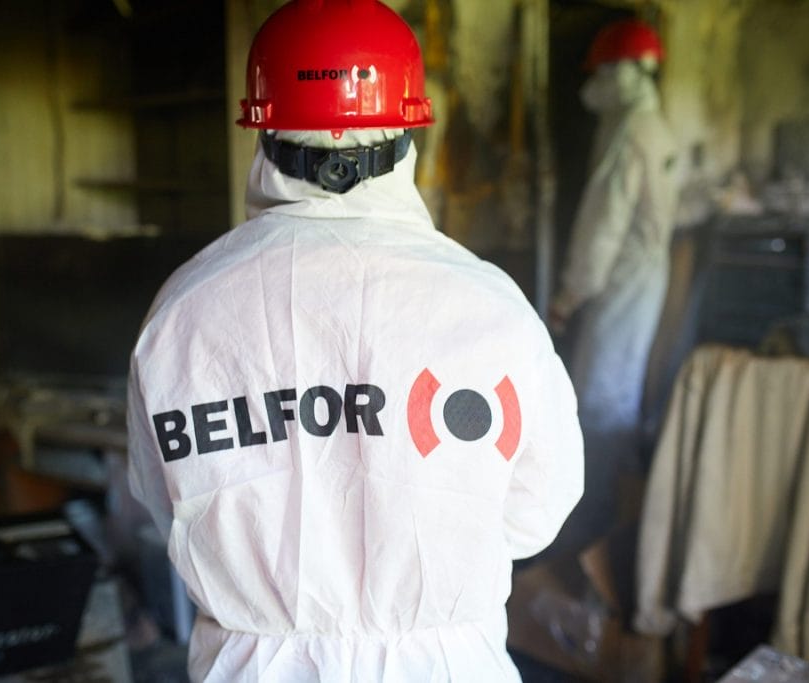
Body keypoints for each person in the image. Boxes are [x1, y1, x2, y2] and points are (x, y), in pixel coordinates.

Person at [126, 1, 584, 680]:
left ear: (263, 130)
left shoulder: (182, 312)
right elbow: (535, 516)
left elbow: (166, 505)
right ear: (408, 137)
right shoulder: (491, 306)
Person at [547, 19, 678, 553]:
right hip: (645, 277)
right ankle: (611, 516)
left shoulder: (628, 133)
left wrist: (569, 295)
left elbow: (602, 226)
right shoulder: (657, 127)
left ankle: (591, 526)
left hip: (620, 280)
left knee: (600, 397)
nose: (595, 83)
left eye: (604, 71)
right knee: (619, 391)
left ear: (626, 72)